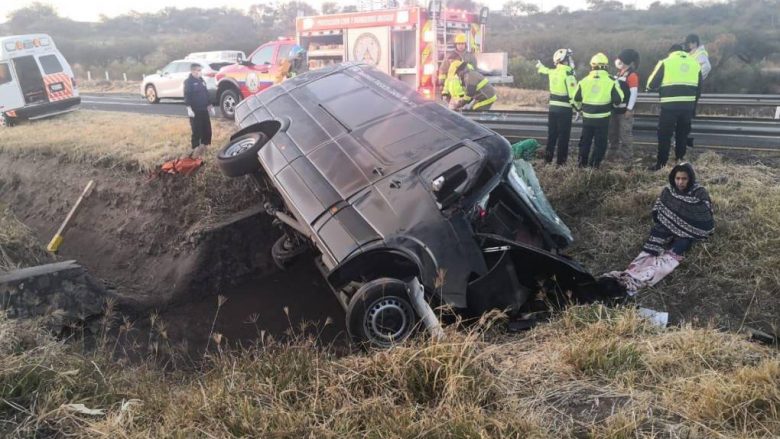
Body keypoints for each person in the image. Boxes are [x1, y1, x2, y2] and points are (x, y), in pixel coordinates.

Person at [602, 163, 714, 295]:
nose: (680, 182)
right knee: (652, 247)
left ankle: (642, 280)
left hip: (689, 232)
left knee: (674, 252)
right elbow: (659, 208)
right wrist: (669, 222)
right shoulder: (669, 190)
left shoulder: (700, 192)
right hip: (667, 226)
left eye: (684, 179)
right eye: (677, 178)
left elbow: (705, 216)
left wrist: (684, 227)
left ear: (691, 179)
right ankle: (629, 275)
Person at [646, 44, 701, 170]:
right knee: (682, 135)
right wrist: (693, 106)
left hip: (669, 107)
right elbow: (699, 89)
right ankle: (680, 161)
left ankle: (662, 164)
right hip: (687, 106)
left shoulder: (666, 62)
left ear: (670, 52)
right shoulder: (695, 63)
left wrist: (649, 89)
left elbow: (651, 83)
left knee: (664, 135)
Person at [572, 53, 624, 168]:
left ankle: (581, 165)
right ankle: (594, 166)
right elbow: (618, 99)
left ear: (592, 66)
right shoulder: (611, 81)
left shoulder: (584, 81)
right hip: (603, 118)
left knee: (585, 142)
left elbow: (576, 98)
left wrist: (579, 109)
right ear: (605, 66)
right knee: (600, 143)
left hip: (587, 117)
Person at [536, 48, 577, 165]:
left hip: (552, 109)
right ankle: (561, 163)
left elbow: (544, 70)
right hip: (565, 110)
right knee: (563, 137)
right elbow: (573, 94)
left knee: (552, 136)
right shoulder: (569, 73)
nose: (571, 60)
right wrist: (578, 108)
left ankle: (547, 160)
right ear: (564, 60)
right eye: (569, 58)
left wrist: (540, 66)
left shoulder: (553, 72)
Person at [608, 49, 640, 161]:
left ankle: (627, 159)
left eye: (619, 59)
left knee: (625, 135)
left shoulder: (632, 75)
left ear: (624, 60)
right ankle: (612, 156)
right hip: (615, 110)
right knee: (613, 134)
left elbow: (634, 93)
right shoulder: (619, 73)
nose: (617, 61)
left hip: (624, 111)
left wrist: (629, 109)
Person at [183, 63, 213, 154]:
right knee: (196, 129)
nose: (199, 72)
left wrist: (209, 105)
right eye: (197, 70)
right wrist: (189, 108)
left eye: (200, 70)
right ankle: (195, 147)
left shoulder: (201, 80)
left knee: (207, 128)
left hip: (204, 109)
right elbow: (187, 95)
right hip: (195, 110)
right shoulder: (188, 82)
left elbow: (206, 94)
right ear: (193, 71)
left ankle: (205, 145)